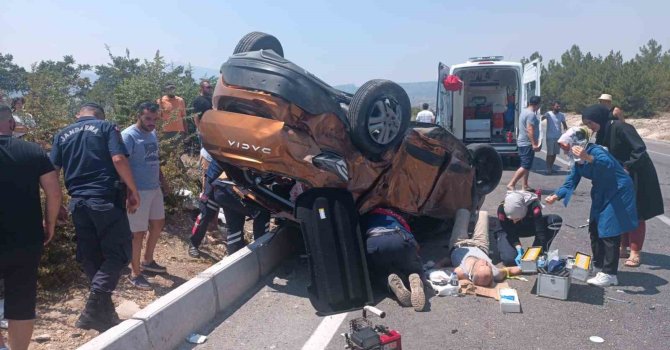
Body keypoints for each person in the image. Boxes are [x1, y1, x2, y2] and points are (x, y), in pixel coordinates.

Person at [50, 102, 140, 331]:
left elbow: (52, 171)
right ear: (100, 114)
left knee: (91, 255)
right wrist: (133, 189)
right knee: (120, 253)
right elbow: (119, 159)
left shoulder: (62, 134)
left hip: (77, 203)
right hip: (104, 199)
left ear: (78, 114)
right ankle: (92, 307)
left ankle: (104, 313)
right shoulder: (106, 127)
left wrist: (56, 202)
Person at [546, 121, 638, 287]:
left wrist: (587, 157)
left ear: (577, 142)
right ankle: (599, 266)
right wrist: (556, 196)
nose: (564, 149)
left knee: (609, 229)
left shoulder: (596, 151)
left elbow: (608, 165)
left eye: (566, 145)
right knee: (594, 227)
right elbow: (570, 182)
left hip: (618, 190)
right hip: (602, 191)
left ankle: (610, 274)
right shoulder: (577, 161)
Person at [0, 105, 61, 350]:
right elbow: (54, 193)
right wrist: (50, 223)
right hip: (26, 238)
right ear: (12, 125)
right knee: (22, 301)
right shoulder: (33, 151)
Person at [580, 104, 663, 268]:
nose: (590, 127)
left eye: (590, 123)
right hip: (618, 175)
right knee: (619, 210)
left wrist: (627, 167)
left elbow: (639, 149)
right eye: (587, 124)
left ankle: (635, 252)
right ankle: (622, 247)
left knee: (636, 213)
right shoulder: (602, 132)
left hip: (636, 173)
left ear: (599, 118)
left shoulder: (622, 127)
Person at [121, 102, 169, 290]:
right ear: (139, 116)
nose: (151, 123)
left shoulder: (152, 133)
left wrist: (163, 182)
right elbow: (121, 165)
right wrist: (129, 193)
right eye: (148, 118)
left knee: (158, 223)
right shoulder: (128, 136)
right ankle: (135, 273)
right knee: (137, 233)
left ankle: (148, 261)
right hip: (138, 190)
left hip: (154, 187)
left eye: (155, 119)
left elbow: (154, 159)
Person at [189, 159, 270, 257]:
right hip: (218, 185)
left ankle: (235, 254)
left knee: (235, 222)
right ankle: (193, 244)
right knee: (205, 214)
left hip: (231, 189)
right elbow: (212, 171)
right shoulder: (228, 150)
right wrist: (206, 192)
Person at [362, 208, 425, 311]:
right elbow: (415, 245)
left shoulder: (366, 217)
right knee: (413, 267)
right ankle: (415, 278)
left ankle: (390, 282)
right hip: (399, 239)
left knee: (380, 272)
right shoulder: (395, 216)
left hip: (374, 243)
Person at [443, 211, 522, 287]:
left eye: (482, 265)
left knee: (463, 212)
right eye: (488, 266)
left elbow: (440, 270)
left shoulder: (461, 272)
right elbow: (511, 270)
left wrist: (442, 262)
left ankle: (465, 219)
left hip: (459, 244)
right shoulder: (496, 273)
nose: (485, 262)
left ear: (474, 271)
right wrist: (528, 266)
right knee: (483, 214)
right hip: (480, 246)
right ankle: (473, 220)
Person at [496, 191, 563, 267]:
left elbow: (540, 230)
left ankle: (538, 253)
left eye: (517, 218)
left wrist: (539, 250)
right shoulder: (501, 209)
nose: (514, 221)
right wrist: (519, 248)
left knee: (555, 221)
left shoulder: (533, 205)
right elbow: (510, 232)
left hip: (525, 225)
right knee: (510, 260)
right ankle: (502, 244)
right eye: (511, 219)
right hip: (507, 231)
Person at [507, 96, 541, 191]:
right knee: (525, 165)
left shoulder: (524, 111)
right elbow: (530, 129)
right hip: (527, 143)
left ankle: (525, 185)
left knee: (526, 165)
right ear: (537, 104)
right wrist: (534, 144)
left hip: (522, 142)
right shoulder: (531, 115)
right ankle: (511, 183)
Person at [542, 101, 568, 174]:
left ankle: (551, 167)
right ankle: (548, 169)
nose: (558, 108)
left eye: (559, 106)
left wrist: (567, 134)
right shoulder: (548, 114)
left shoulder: (561, 115)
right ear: (553, 107)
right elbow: (541, 119)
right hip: (550, 137)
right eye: (557, 106)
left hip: (558, 137)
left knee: (554, 153)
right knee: (550, 153)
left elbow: (564, 125)